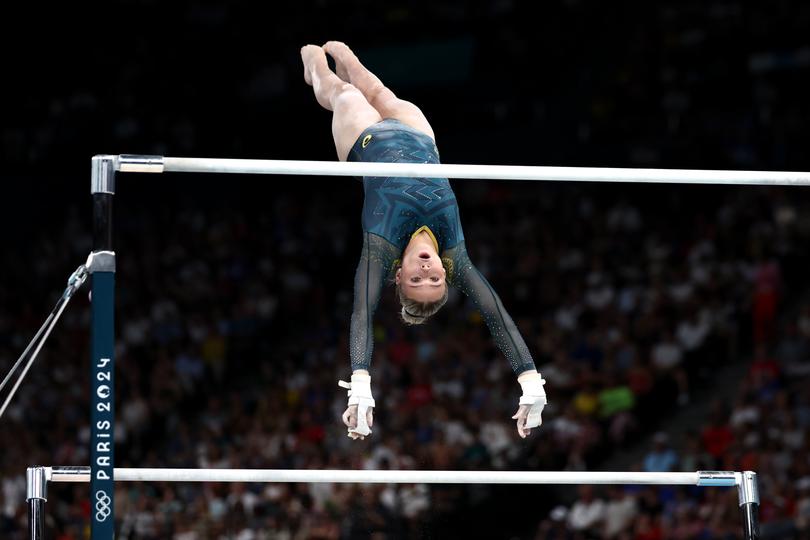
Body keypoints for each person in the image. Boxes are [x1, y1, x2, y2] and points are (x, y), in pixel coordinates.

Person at [301, 41, 547, 440]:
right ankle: (350, 61)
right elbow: (496, 313)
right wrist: (531, 382)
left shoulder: (380, 246)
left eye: (418, 280)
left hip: (365, 142)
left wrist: (360, 386)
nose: (430, 271)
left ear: (397, 276)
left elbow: (362, 312)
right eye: (436, 281)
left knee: (346, 94)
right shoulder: (454, 252)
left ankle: (315, 70)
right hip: (420, 139)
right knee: (379, 92)